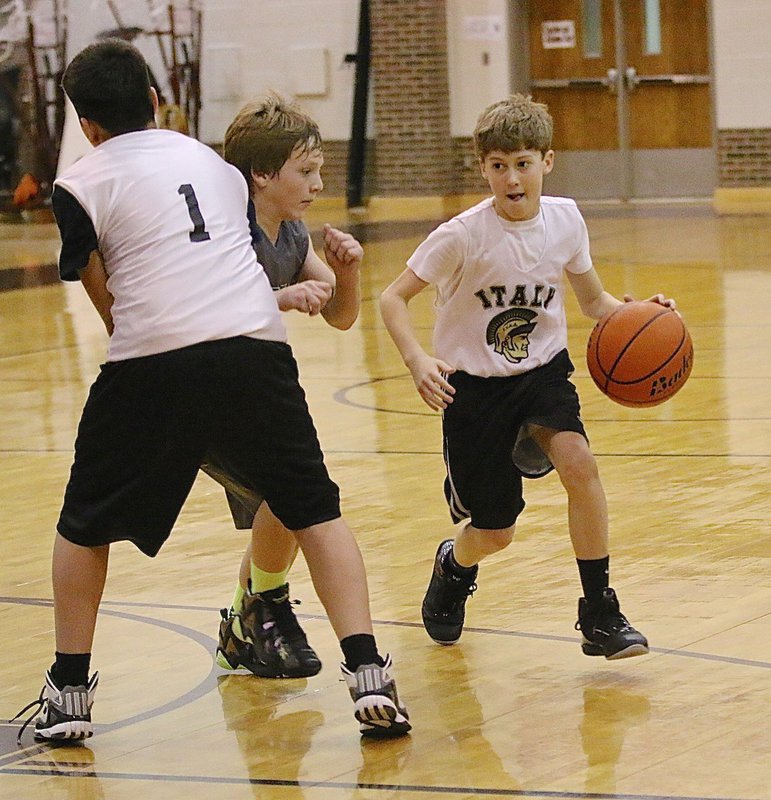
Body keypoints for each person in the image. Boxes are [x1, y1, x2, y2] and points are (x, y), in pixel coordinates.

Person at [12, 39, 409, 743]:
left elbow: (109, 302)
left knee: (83, 526)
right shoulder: (211, 163)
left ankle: (70, 690)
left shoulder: (78, 182)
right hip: (254, 347)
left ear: (88, 126)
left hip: (152, 359)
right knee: (315, 512)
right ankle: (369, 671)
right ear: (157, 102)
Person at [379, 93, 675, 660]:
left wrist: (641, 316)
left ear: (547, 161)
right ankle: (454, 565)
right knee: (496, 531)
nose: (511, 178)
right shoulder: (462, 235)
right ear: (483, 168)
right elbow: (394, 298)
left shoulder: (565, 219)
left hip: (541, 373)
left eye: (522, 163)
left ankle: (599, 610)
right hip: (474, 390)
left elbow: (593, 302)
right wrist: (418, 359)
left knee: (580, 465)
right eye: (498, 166)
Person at [201, 92, 363, 679]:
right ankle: (257, 613)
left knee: (288, 503)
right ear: (261, 175)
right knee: (291, 499)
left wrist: (347, 272)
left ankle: (246, 622)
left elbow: (341, 315)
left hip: (254, 390)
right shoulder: (226, 230)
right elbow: (212, 306)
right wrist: (279, 297)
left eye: (320, 170)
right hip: (200, 392)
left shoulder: (292, 233)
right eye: (307, 170)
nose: (319, 183)